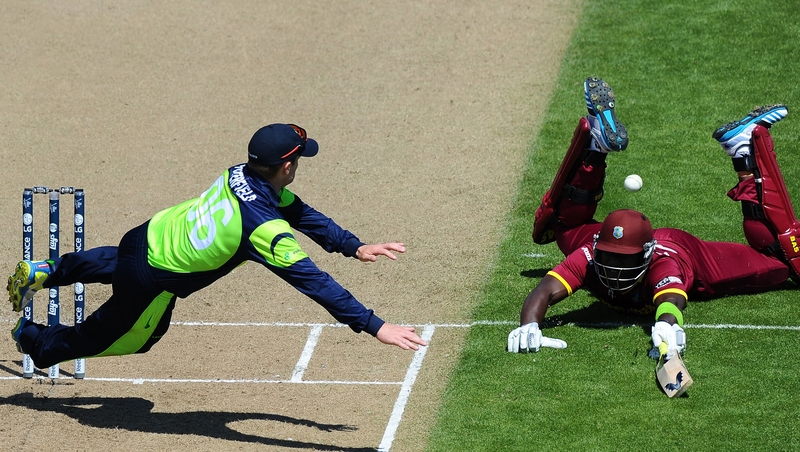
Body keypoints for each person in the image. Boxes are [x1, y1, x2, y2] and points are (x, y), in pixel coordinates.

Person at [8, 123, 427, 370]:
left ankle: (47, 270)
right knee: (128, 338)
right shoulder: (263, 230)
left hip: (147, 234)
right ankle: (33, 339)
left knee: (118, 261)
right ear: (286, 165)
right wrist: (375, 325)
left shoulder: (240, 173)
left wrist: (354, 246)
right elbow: (313, 282)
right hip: (151, 278)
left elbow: (298, 212)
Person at [507, 76, 794, 359]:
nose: (616, 268)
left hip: (691, 255)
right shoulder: (589, 254)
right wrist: (528, 324)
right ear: (597, 246)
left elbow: (671, 299)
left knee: (784, 259)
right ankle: (595, 145)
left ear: (646, 255)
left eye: (624, 259)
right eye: (610, 256)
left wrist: (666, 326)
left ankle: (744, 151)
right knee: (563, 225)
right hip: (634, 242)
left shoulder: (663, 263)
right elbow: (545, 289)